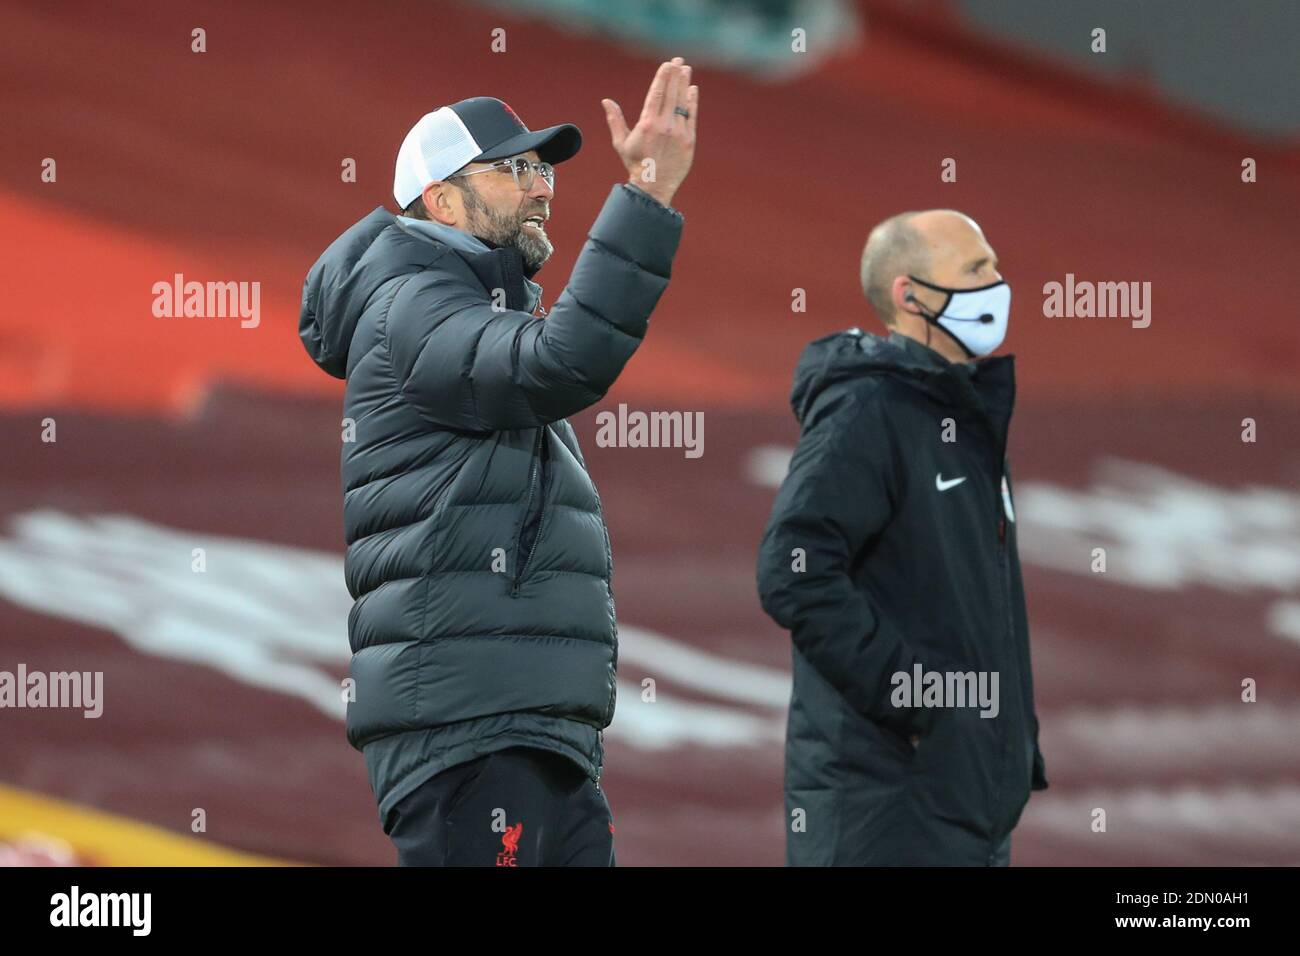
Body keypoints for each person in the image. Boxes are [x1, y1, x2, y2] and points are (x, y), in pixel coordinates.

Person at [299, 59, 698, 866]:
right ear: (442, 200)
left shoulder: (474, 306)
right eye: (514, 168)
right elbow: (561, 361)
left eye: (542, 166)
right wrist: (647, 196)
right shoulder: (410, 306)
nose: (543, 185)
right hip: (465, 731)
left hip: (528, 723)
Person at [756, 209, 1048, 866]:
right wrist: (918, 698)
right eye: (975, 270)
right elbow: (792, 569)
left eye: (994, 265)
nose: (997, 283)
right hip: (888, 808)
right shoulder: (869, 409)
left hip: (960, 805)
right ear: (909, 296)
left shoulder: (962, 417)